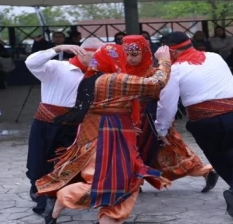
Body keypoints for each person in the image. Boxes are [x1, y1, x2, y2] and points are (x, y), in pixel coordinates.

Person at [36, 44, 172, 224]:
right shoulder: (114, 80)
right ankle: (67, 197)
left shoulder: (91, 78)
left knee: (122, 178)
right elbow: (156, 83)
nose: (126, 60)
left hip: (104, 131)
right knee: (116, 180)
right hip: (110, 134)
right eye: (123, 56)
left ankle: (98, 215)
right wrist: (165, 61)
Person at [155, 32, 233, 220]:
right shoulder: (215, 57)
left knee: (220, 160)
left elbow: (166, 104)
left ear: (170, 51)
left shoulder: (174, 70)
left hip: (204, 123)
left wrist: (161, 129)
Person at [122, 35, 218, 192]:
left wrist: (164, 125)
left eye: (134, 54)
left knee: (173, 152)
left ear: (145, 53)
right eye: (126, 54)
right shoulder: (118, 71)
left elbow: (166, 100)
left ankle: (205, 172)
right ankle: (134, 183)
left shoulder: (157, 72)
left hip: (152, 121)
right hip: (129, 123)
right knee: (131, 153)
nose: (130, 59)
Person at [24, 38, 105, 215]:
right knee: (37, 163)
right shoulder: (57, 67)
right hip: (46, 124)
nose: (99, 58)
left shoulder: (99, 74)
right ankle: (37, 188)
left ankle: (50, 200)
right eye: (96, 54)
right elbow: (31, 62)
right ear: (82, 52)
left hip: (76, 127)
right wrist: (57, 48)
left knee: (64, 165)